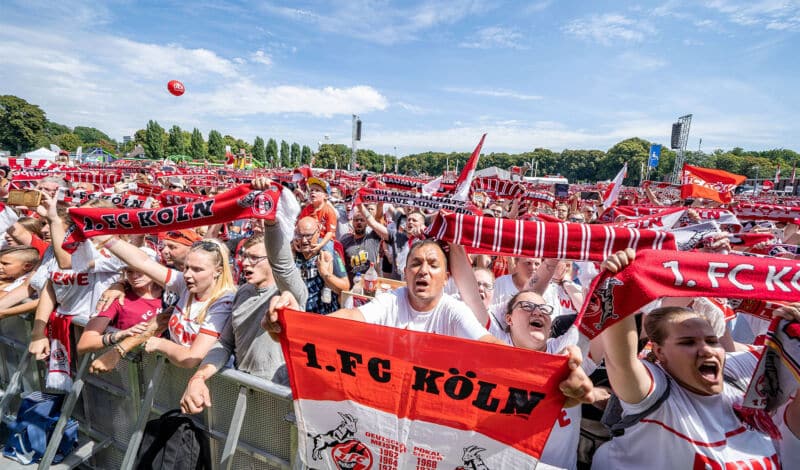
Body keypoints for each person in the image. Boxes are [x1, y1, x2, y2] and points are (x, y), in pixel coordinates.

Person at [592, 248, 800, 469]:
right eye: (688, 342)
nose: (706, 350)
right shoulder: (658, 395)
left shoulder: (733, 375)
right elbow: (621, 361)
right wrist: (618, 284)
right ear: (660, 353)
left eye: (711, 341)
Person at [180, 218, 308, 414]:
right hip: (244, 388)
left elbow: (284, 266)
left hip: (279, 394)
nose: (245, 263)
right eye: (244, 256)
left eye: (255, 258)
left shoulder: (288, 292)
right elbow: (225, 343)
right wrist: (199, 377)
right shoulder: (242, 292)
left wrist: (271, 221)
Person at [93, 235, 235, 369]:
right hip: (176, 374)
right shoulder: (185, 284)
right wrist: (102, 235)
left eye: (197, 270)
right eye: (186, 267)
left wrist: (161, 344)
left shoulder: (223, 303)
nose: (187, 274)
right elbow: (142, 262)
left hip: (213, 384)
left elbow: (191, 358)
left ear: (218, 271)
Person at [76, 248, 163, 356]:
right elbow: (84, 343)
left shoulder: (171, 293)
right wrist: (120, 335)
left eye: (140, 271)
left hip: (168, 369)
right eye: (129, 271)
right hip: (127, 367)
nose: (134, 276)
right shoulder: (117, 298)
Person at [293, 216, 348, 314]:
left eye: (308, 235)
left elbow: (345, 287)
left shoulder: (329, 254)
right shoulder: (293, 253)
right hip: (298, 315)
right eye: (300, 235)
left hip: (323, 316)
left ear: (318, 233)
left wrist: (325, 274)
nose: (304, 240)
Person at [339, 205, 382, 281]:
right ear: (352, 222)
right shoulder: (345, 240)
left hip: (369, 283)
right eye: (356, 220)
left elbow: (378, 218)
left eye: (362, 220)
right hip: (351, 285)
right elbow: (340, 263)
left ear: (367, 223)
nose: (359, 222)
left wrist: (380, 204)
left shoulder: (373, 238)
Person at [298, 177, 338, 251]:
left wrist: (321, 245)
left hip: (324, 240)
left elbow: (330, 232)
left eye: (317, 190)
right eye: (312, 190)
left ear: (326, 196)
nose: (313, 192)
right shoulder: (306, 210)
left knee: (327, 253)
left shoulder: (329, 211)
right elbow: (299, 227)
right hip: (307, 238)